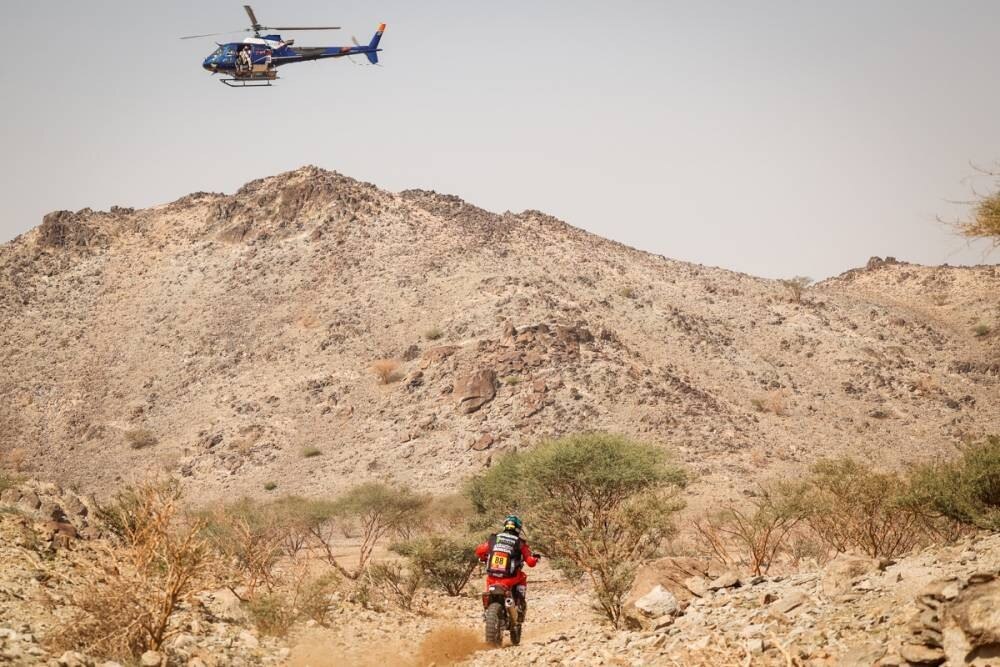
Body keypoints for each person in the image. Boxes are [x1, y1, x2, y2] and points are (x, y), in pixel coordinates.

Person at [475, 515, 540, 624]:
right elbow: (530, 562)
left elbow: (479, 551)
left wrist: (483, 558)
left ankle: (486, 609)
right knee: (522, 577)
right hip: (511, 578)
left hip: (492, 578)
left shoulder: (494, 539)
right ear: (518, 528)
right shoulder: (520, 543)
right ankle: (520, 603)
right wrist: (535, 558)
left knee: (489, 583)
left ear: (505, 525)